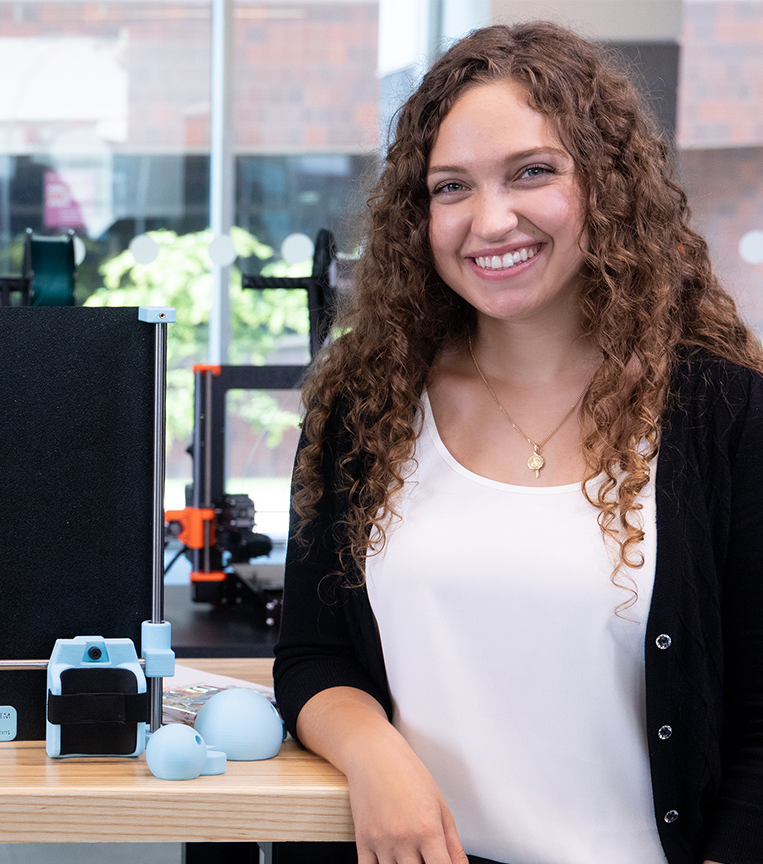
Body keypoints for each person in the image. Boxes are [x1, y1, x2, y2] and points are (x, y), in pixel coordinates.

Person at [273, 21, 762, 864]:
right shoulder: (368, 402)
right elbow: (314, 656)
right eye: (451, 187)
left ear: (608, 186)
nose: (490, 220)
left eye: (532, 173)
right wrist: (374, 752)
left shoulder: (721, 410)